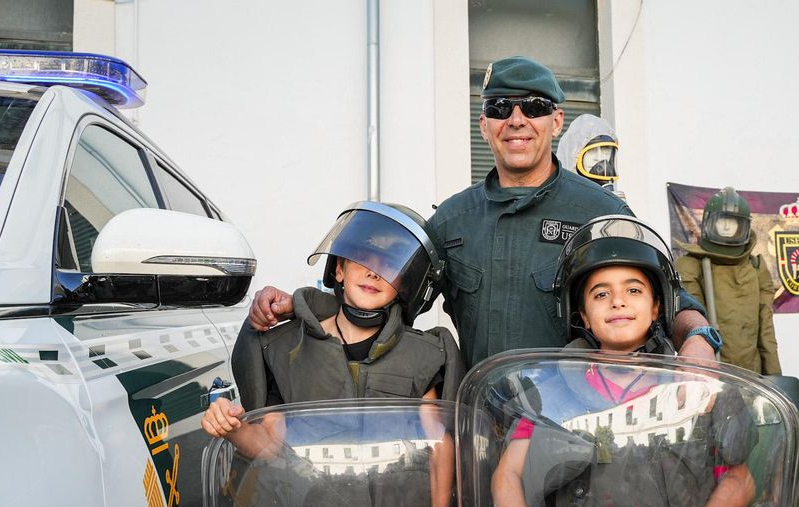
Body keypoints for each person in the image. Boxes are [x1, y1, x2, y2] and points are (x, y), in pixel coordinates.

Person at [248, 56, 720, 368]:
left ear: (556, 121)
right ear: (484, 125)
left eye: (533, 107)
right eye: (500, 107)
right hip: (480, 420)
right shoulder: (453, 221)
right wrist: (299, 304)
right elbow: (379, 297)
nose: (516, 119)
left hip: (578, 424)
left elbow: (671, 298)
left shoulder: (601, 212)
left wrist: (699, 340)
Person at [489, 215, 755, 507]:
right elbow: (509, 473)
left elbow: (740, 480)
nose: (618, 302)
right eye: (600, 293)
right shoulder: (547, 390)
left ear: (658, 308)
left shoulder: (699, 389)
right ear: (580, 314)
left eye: (634, 290)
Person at [201, 201, 464, 507]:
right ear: (338, 270)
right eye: (362, 260)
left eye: (389, 267)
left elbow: (439, 444)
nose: (374, 273)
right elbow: (269, 444)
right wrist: (231, 427)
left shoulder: (425, 355)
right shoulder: (285, 348)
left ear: (405, 283)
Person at [675, 186, 781, 375]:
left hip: (751, 375)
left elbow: (766, 330)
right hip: (707, 373)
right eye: (721, 222)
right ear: (708, 224)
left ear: (743, 227)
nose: (726, 228)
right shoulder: (690, 266)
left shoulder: (756, 268)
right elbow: (690, 324)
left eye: (732, 223)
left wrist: (774, 380)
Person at [556, 113, 623, 199]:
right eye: (592, 151)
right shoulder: (561, 200)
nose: (599, 158)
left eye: (606, 151)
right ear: (575, 155)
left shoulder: (614, 200)